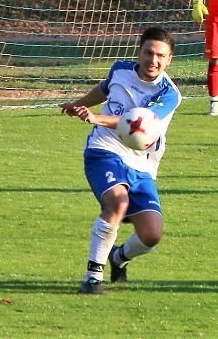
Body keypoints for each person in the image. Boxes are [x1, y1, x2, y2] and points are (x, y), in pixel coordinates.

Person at [60, 26, 182, 295]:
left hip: (142, 164)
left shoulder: (169, 94)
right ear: (139, 52)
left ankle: (118, 257)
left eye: (161, 56)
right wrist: (79, 104)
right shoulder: (120, 70)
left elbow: (135, 123)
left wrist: (96, 118)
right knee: (117, 202)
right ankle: (93, 277)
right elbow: (104, 90)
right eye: (148, 52)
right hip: (105, 149)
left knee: (151, 235)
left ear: (169, 60)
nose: (153, 60)